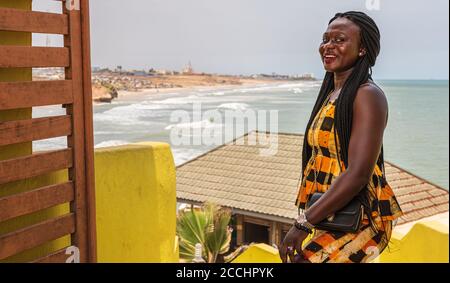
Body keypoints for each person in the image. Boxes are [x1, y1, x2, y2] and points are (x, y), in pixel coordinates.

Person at [279, 11, 403, 263]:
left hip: (363, 218)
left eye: (339, 40)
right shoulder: (334, 93)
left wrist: (303, 224)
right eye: (326, 39)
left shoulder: (367, 95)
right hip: (332, 213)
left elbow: (358, 173)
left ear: (362, 50)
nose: (328, 46)